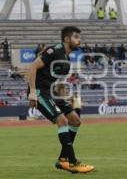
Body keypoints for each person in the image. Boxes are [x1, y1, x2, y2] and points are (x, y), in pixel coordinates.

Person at [27, 26, 95, 173]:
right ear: (66, 39)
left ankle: (62, 160)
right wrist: (32, 92)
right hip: (40, 91)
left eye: (79, 37)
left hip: (52, 93)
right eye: (76, 37)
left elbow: (58, 83)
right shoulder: (54, 50)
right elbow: (32, 67)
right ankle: (72, 162)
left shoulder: (67, 59)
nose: (79, 40)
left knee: (75, 120)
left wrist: (65, 97)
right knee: (62, 121)